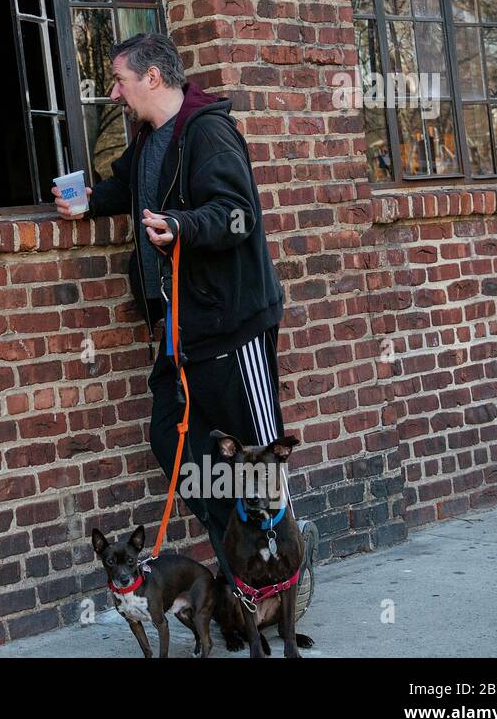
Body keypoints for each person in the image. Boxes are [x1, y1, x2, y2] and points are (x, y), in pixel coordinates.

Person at [53, 32, 317, 620]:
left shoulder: (208, 132)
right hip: (182, 333)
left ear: (152, 78)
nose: (115, 93)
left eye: (120, 80)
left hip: (232, 327)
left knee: (258, 462)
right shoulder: (150, 139)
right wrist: (88, 202)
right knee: (174, 444)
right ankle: (240, 573)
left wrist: (182, 227)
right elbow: (129, 188)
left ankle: (283, 589)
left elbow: (235, 213)